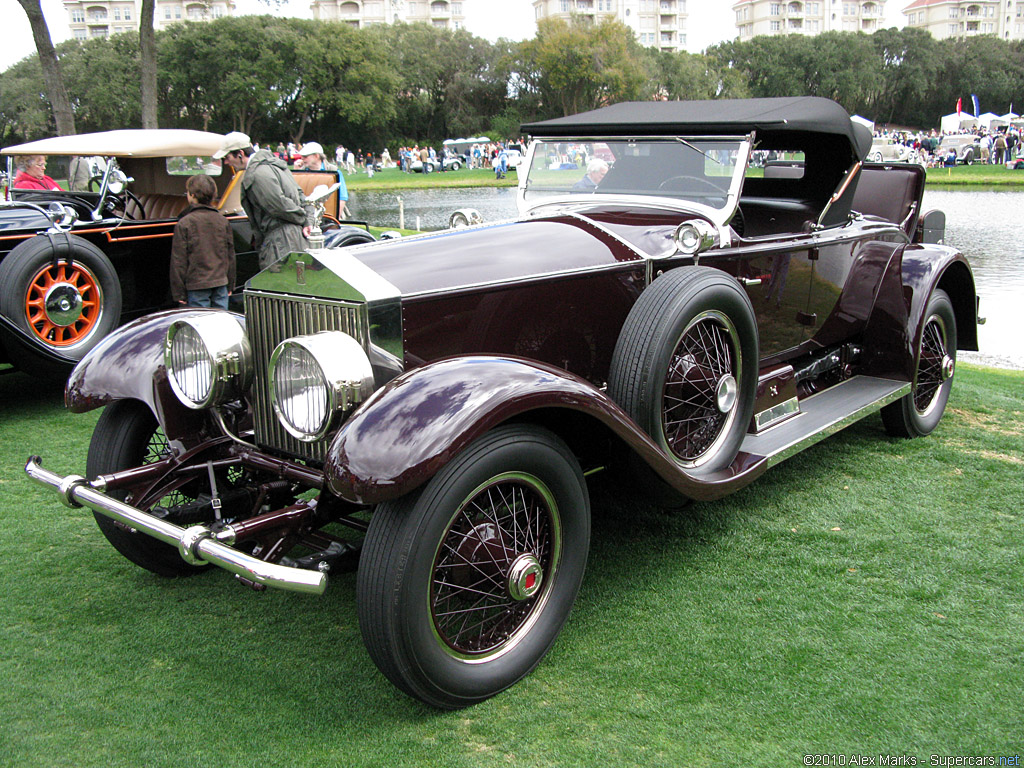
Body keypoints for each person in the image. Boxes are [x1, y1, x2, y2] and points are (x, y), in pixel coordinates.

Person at [214, 131, 313, 272]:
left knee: (280, 287)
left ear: (240, 154)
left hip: (281, 242)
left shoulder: (257, 173)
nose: (226, 162)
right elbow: (301, 196)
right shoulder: (275, 165)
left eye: (227, 157)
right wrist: (306, 221)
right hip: (291, 237)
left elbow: (278, 206)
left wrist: (303, 219)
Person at [169, 174, 236, 310]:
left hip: (197, 285)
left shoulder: (184, 223)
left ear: (192, 195)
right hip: (220, 283)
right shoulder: (222, 221)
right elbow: (230, 255)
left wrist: (179, 293)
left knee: (200, 325)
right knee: (222, 322)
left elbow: (178, 261)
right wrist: (230, 283)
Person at [299, 141, 349, 218]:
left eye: (305, 156)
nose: (302, 159)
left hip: (330, 216)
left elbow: (342, 198)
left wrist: (335, 219)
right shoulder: (300, 172)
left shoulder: (334, 171)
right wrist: (296, 172)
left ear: (316, 156)